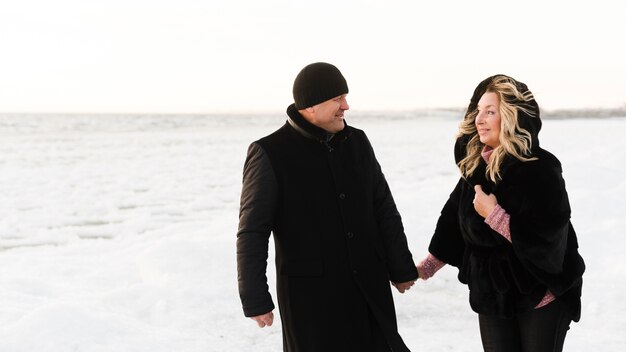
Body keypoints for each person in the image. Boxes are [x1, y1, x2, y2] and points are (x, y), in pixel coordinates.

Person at [236, 62, 419, 352]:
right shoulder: (269, 152)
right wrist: (255, 297)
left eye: (344, 97)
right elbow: (252, 230)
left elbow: (383, 206)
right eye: (337, 99)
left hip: (367, 288)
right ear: (310, 105)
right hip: (310, 299)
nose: (346, 106)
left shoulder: (357, 141)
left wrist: (400, 266)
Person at [415, 74, 585, 352]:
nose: (479, 119)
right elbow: (453, 220)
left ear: (511, 117)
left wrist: (495, 215)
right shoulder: (474, 170)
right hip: (493, 294)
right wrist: (429, 265)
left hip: (540, 293)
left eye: (490, 112)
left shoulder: (541, 168)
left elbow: (548, 239)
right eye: (478, 111)